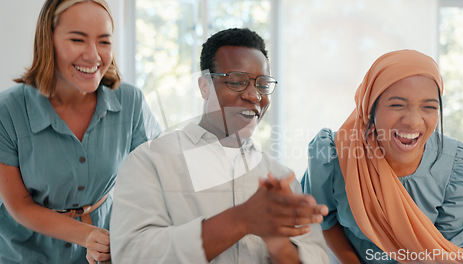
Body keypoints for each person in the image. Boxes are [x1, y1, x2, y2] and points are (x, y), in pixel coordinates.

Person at [110, 27, 329, 263]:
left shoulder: (281, 178)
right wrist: (241, 219)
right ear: (205, 86)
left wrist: (279, 244)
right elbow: (131, 254)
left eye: (263, 85)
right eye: (237, 82)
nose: (254, 96)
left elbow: (317, 257)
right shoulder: (150, 161)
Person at [0, 1, 161, 263]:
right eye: (78, 40)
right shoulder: (7, 111)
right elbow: (19, 205)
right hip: (23, 254)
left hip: (104, 253)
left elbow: (158, 175)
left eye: (104, 41)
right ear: (48, 41)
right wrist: (86, 235)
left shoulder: (130, 102)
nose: (93, 55)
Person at [302, 49, 463, 263]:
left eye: (429, 107)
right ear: (370, 107)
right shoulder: (335, 155)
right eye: (397, 105)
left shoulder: (457, 169)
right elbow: (324, 220)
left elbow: (444, 251)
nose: (413, 122)